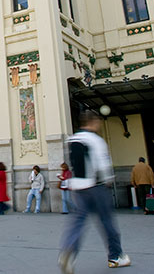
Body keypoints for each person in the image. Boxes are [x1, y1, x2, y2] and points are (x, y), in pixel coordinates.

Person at [59, 110, 130, 273]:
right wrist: (109, 180)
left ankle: (69, 251)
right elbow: (103, 165)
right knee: (107, 221)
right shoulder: (96, 140)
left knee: (78, 221)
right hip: (96, 186)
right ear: (92, 122)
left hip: (77, 187)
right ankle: (115, 256)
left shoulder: (72, 139)